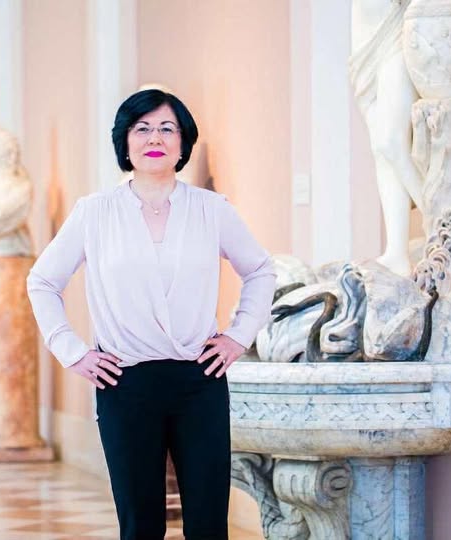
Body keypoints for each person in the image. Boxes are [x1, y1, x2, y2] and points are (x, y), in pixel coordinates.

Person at [27, 88, 276, 540]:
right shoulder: (94, 212)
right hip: (124, 382)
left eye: (166, 128)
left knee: (208, 524)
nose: (154, 138)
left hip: (198, 379)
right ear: (125, 142)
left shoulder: (211, 209)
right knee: (140, 524)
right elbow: (42, 281)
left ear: (183, 142)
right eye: (142, 128)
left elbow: (260, 270)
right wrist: (73, 351)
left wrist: (238, 336)